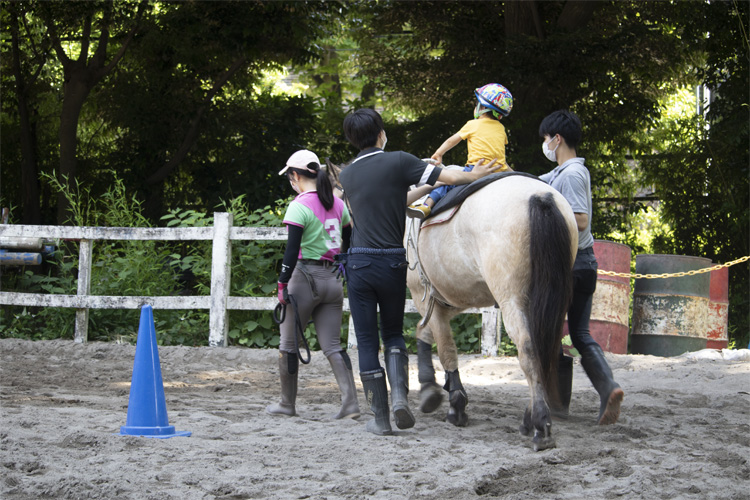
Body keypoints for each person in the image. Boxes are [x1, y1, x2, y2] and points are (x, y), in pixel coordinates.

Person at [338, 108, 497, 435]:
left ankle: (380, 418)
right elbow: (452, 179)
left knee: (367, 342)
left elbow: (391, 201)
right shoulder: (398, 160)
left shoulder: (347, 175)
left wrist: (422, 182)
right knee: (393, 334)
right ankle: (400, 399)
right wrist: (477, 173)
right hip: (393, 261)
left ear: (351, 140)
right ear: (381, 133)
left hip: (359, 263)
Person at [538, 110, 624, 425]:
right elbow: (533, 184)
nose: (544, 145)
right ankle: (608, 389)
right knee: (579, 333)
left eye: (546, 139)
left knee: (548, 335)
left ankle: (558, 405)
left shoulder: (571, 175)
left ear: (556, 139)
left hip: (569, 265)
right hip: (584, 264)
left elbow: (580, 219)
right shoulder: (563, 172)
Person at [266, 149, 360, 421]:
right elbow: (349, 238)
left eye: (290, 177)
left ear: (295, 175)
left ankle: (287, 403)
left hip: (304, 278)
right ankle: (350, 402)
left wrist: (282, 283)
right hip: (332, 278)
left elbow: (291, 249)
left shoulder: (299, 205)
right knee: (332, 344)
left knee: (288, 344)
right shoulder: (338, 204)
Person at [407, 83, 513, 219]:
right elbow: (499, 155)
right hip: (500, 170)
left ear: (483, 107)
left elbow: (452, 140)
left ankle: (426, 205)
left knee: (447, 183)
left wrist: (439, 153)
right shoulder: (501, 129)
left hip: (476, 169)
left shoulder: (472, 124)